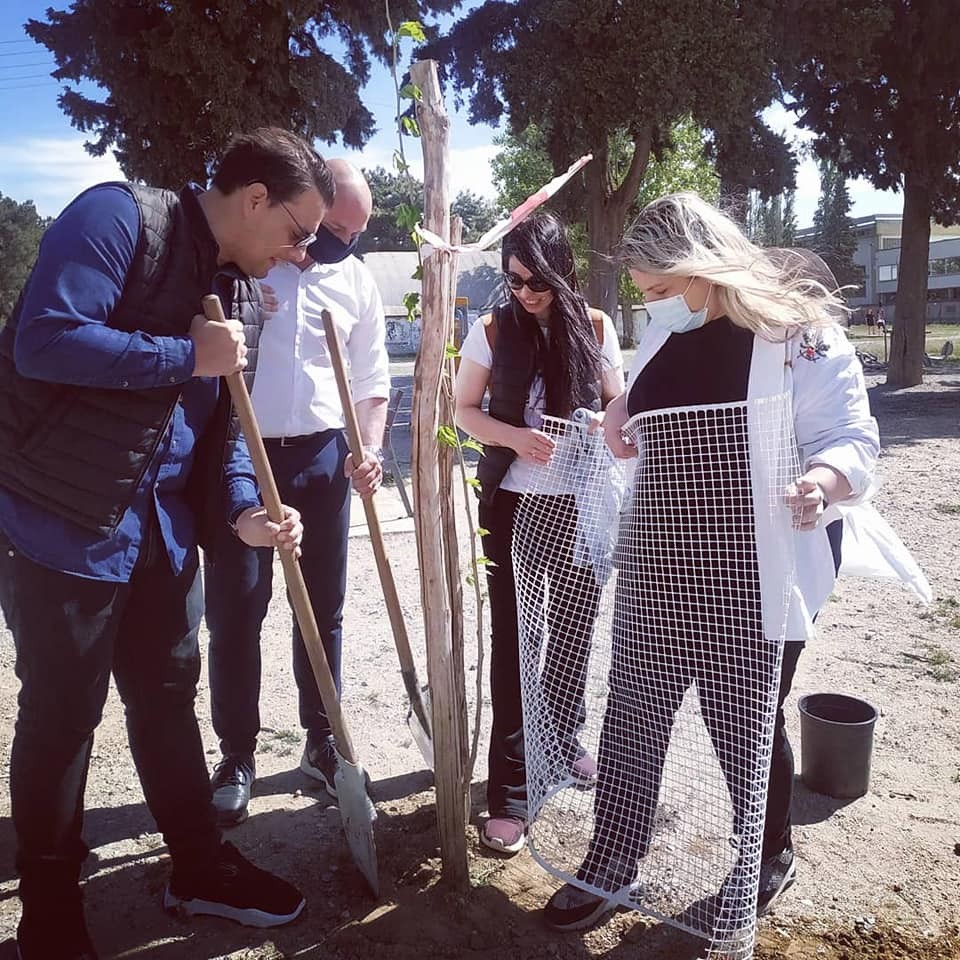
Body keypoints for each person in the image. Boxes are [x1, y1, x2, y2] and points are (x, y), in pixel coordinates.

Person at [0, 127, 335, 959]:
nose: (303, 252)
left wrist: (242, 517)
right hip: (60, 524)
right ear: (255, 198)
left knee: (165, 701)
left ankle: (198, 867)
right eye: (300, 232)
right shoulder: (118, 220)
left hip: (161, 536)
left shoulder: (240, 292)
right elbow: (42, 339)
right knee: (61, 719)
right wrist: (186, 353)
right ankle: (49, 914)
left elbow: (221, 437)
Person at [542, 193, 880, 931]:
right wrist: (619, 410)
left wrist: (821, 482)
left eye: (661, 291)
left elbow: (852, 435)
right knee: (631, 713)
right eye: (644, 298)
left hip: (761, 566)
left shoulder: (798, 334)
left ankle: (766, 856)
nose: (654, 308)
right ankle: (613, 856)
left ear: (703, 266)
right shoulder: (667, 331)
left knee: (743, 722)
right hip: (659, 563)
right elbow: (649, 393)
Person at [204, 160, 390, 824]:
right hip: (241, 455)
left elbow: (372, 382)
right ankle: (237, 755)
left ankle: (322, 742)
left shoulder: (356, 282)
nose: (339, 244)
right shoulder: (252, 262)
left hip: (320, 455)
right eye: (332, 228)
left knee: (325, 610)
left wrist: (365, 447)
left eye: (353, 234)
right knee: (236, 614)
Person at [454, 212, 625, 855]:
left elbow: (615, 401)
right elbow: (462, 410)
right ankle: (510, 790)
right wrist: (516, 436)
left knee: (577, 629)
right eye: (514, 280)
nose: (525, 292)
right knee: (514, 642)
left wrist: (612, 424)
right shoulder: (492, 329)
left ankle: (561, 738)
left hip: (580, 503)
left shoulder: (597, 326)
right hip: (514, 506)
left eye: (536, 280)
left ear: (562, 270)